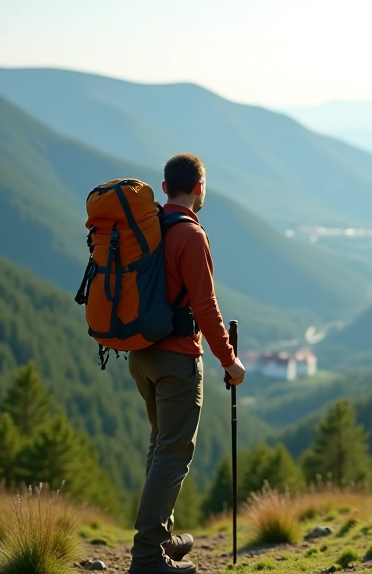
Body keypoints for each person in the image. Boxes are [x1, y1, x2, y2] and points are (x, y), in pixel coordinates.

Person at [127, 153, 247, 573]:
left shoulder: (147, 229)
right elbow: (205, 305)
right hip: (176, 359)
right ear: (199, 188)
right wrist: (229, 361)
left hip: (140, 354)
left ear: (164, 189)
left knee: (161, 447)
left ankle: (160, 542)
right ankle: (146, 557)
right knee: (173, 453)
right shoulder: (191, 235)